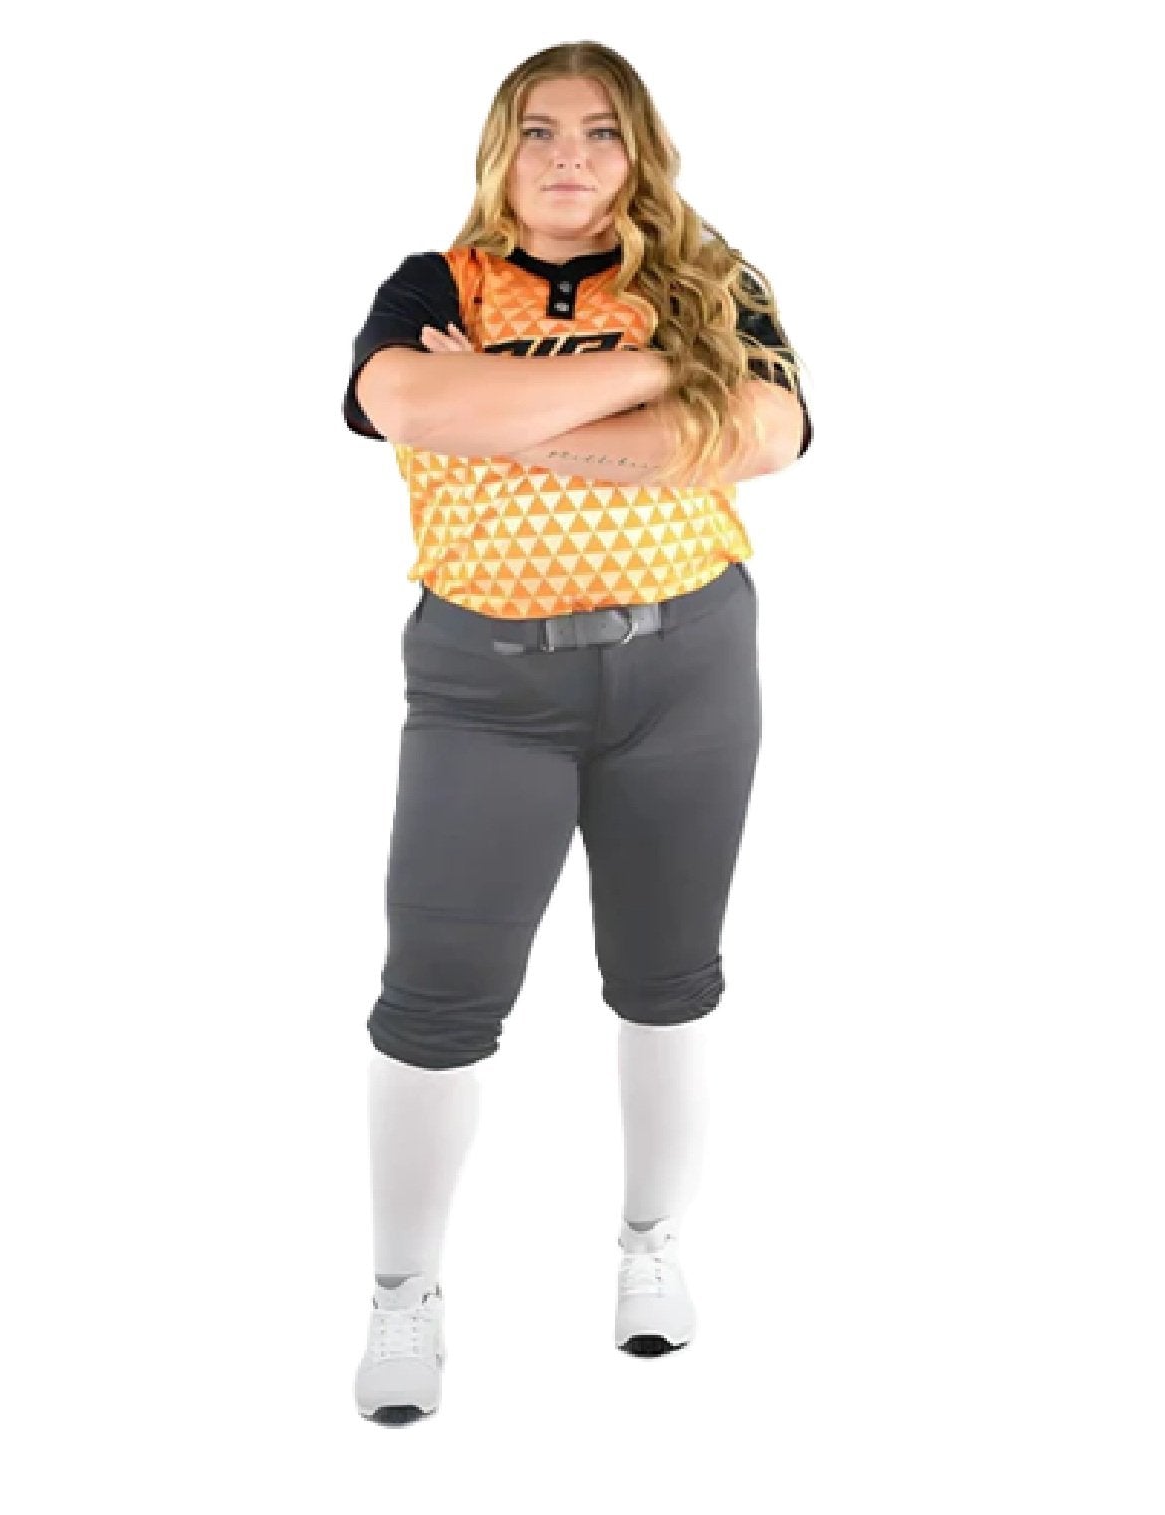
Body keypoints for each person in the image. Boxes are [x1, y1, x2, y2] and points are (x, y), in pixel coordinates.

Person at [343, 41, 813, 1425]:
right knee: (437, 992)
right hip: (487, 684)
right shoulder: (435, 286)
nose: (569, 158)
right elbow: (406, 403)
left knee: (669, 974)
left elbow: (765, 435)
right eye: (541, 131)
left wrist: (517, 413)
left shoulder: (711, 278)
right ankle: (402, 1293)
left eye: (601, 133)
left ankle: (650, 1246)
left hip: (688, 669)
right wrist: (658, 381)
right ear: (503, 149)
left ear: (637, 152)